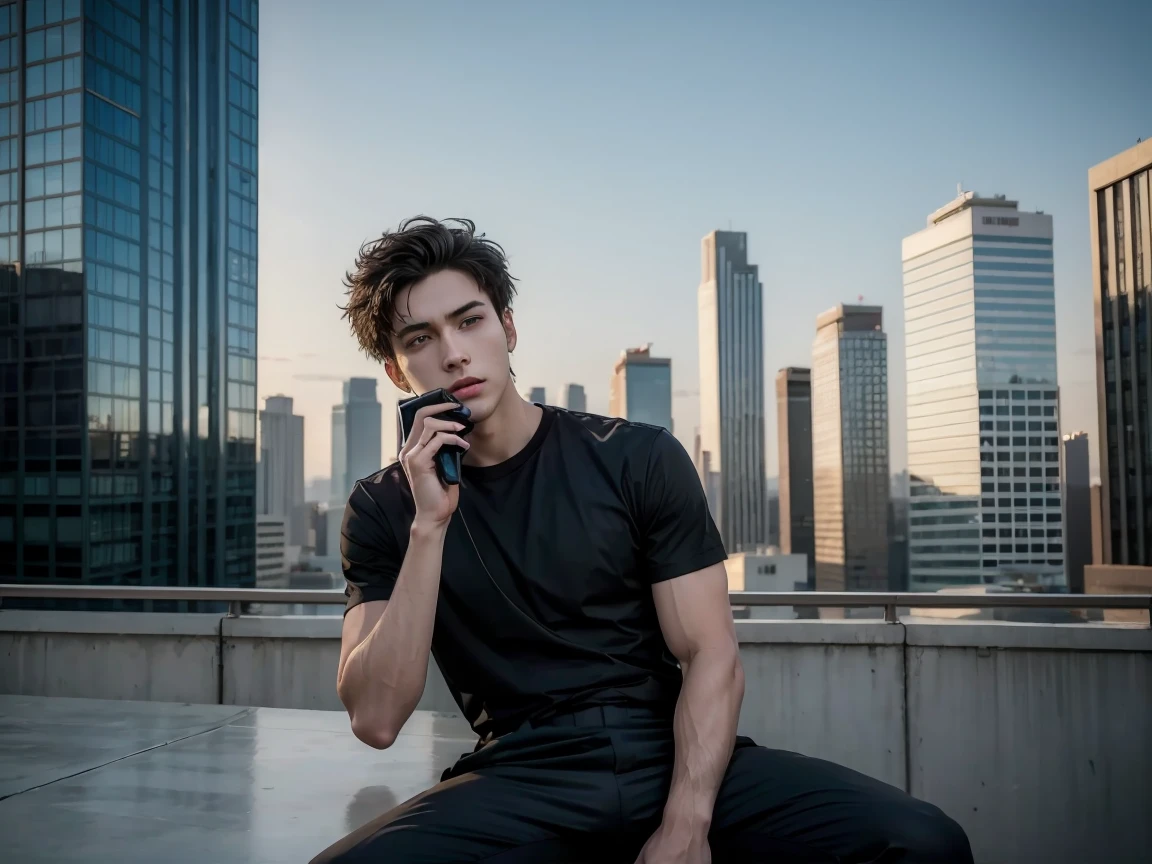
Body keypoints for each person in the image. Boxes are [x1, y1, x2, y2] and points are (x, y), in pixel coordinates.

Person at [311, 217, 973, 864]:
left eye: (470, 319)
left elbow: (713, 655)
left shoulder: (636, 457)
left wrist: (686, 825)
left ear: (507, 327)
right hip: (525, 774)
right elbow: (375, 718)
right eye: (421, 338)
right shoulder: (383, 507)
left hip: (669, 749)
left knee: (923, 841)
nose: (453, 352)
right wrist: (430, 527)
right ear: (399, 375)